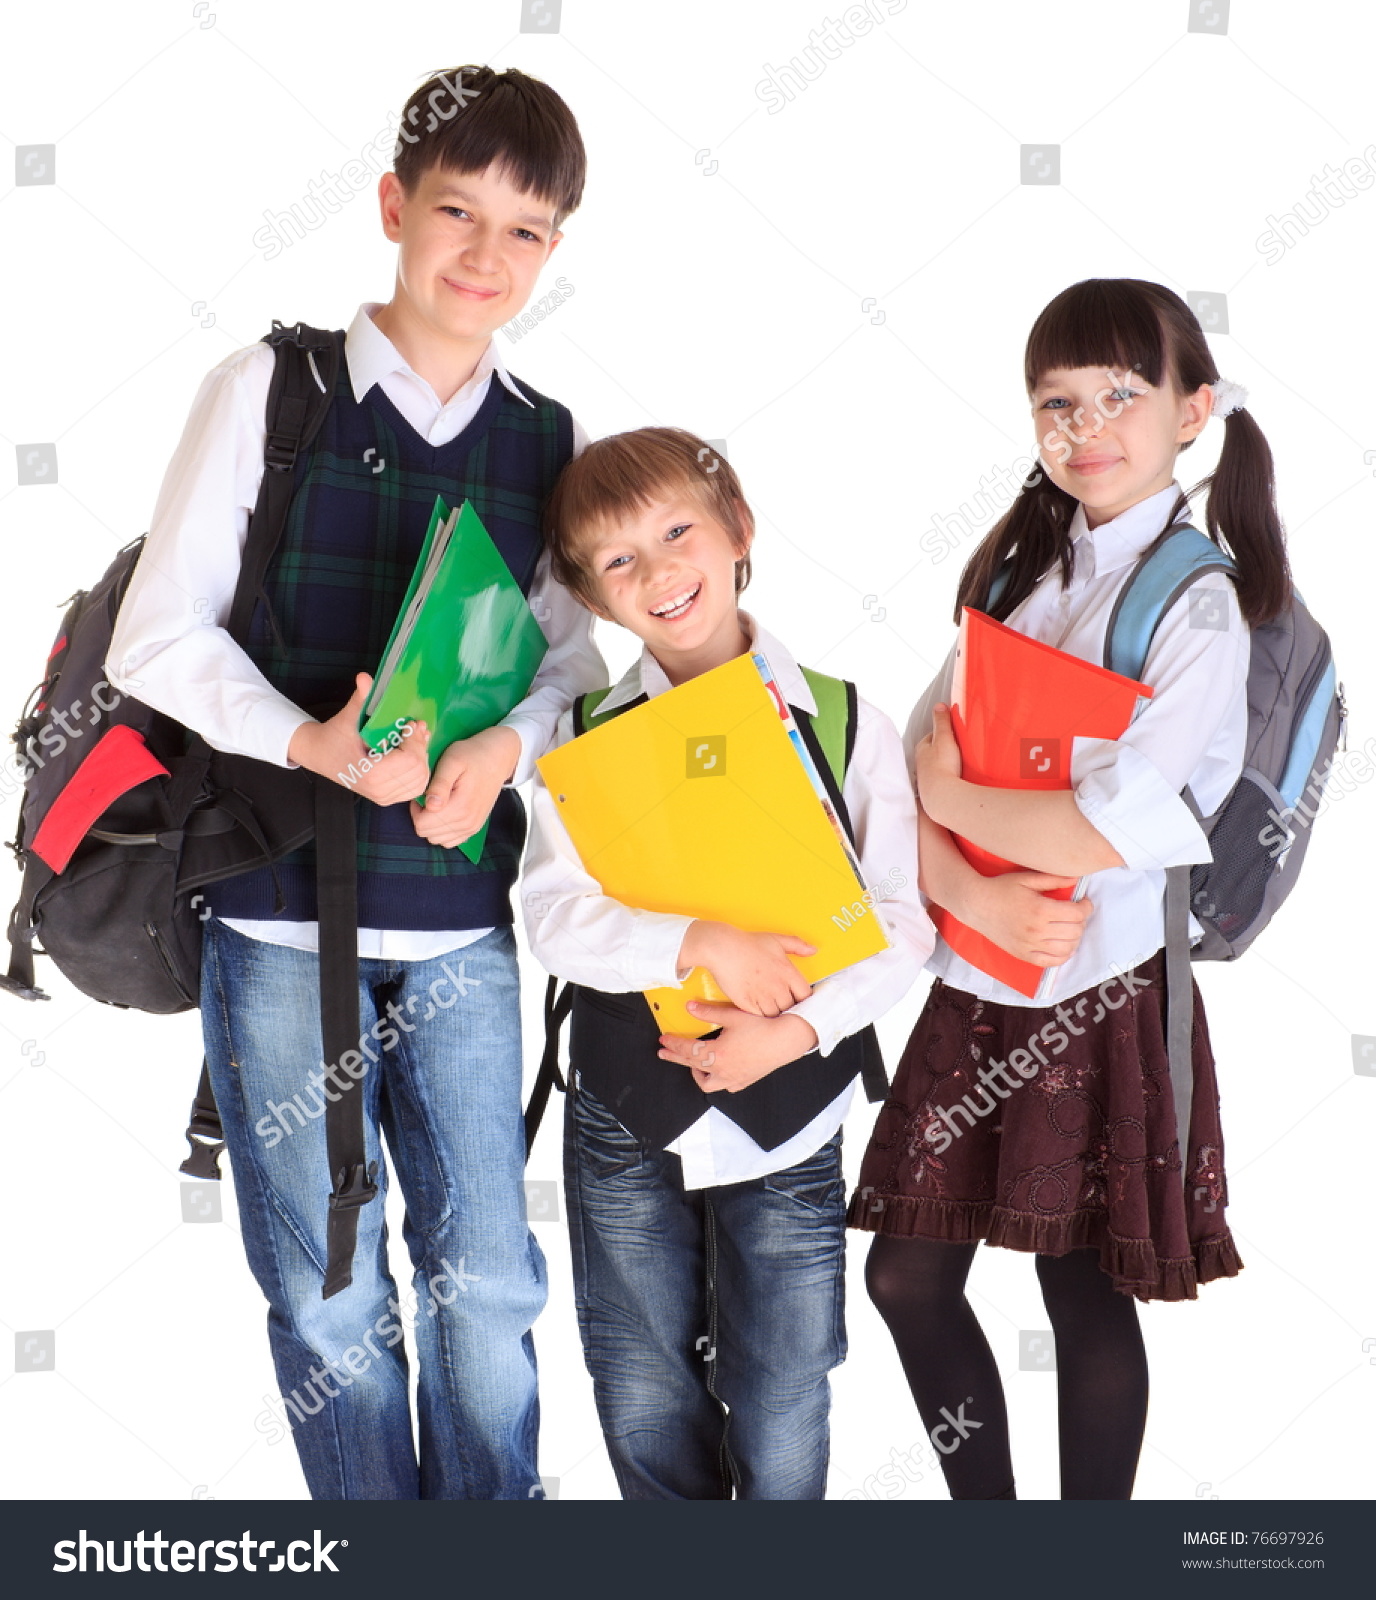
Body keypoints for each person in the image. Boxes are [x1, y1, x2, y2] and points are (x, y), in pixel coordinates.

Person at [105, 65, 606, 1500]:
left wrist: (509, 747)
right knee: (326, 1288)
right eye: (457, 211)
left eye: (525, 230)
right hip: (274, 912)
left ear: (554, 251)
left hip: (456, 914)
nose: (484, 256)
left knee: (488, 1283)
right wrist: (311, 741)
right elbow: (158, 634)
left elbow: (571, 667)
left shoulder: (545, 437)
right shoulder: (272, 387)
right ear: (395, 206)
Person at [851, 277, 1291, 1500]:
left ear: (1191, 410)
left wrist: (949, 807)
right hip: (983, 962)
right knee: (906, 1275)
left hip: (1102, 985)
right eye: (1055, 402)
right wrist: (965, 885)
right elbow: (904, 774)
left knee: (1078, 1282)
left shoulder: (1195, 601)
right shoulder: (1015, 569)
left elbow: (1116, 827)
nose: (1082, 426)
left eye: (1118, 395)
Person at [521, 426, 933, 1498]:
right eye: (616, 560)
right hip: (622, 1103)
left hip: (789, 1099)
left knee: (787, 1377)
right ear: (589, 594)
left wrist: (795, 1030)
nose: (656, 572)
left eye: (674, 532)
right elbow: (551, 917)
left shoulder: (843, 721)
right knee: (636, 1371)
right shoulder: (578, 733)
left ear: (737, 530)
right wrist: (691, 941)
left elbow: (903, 920)